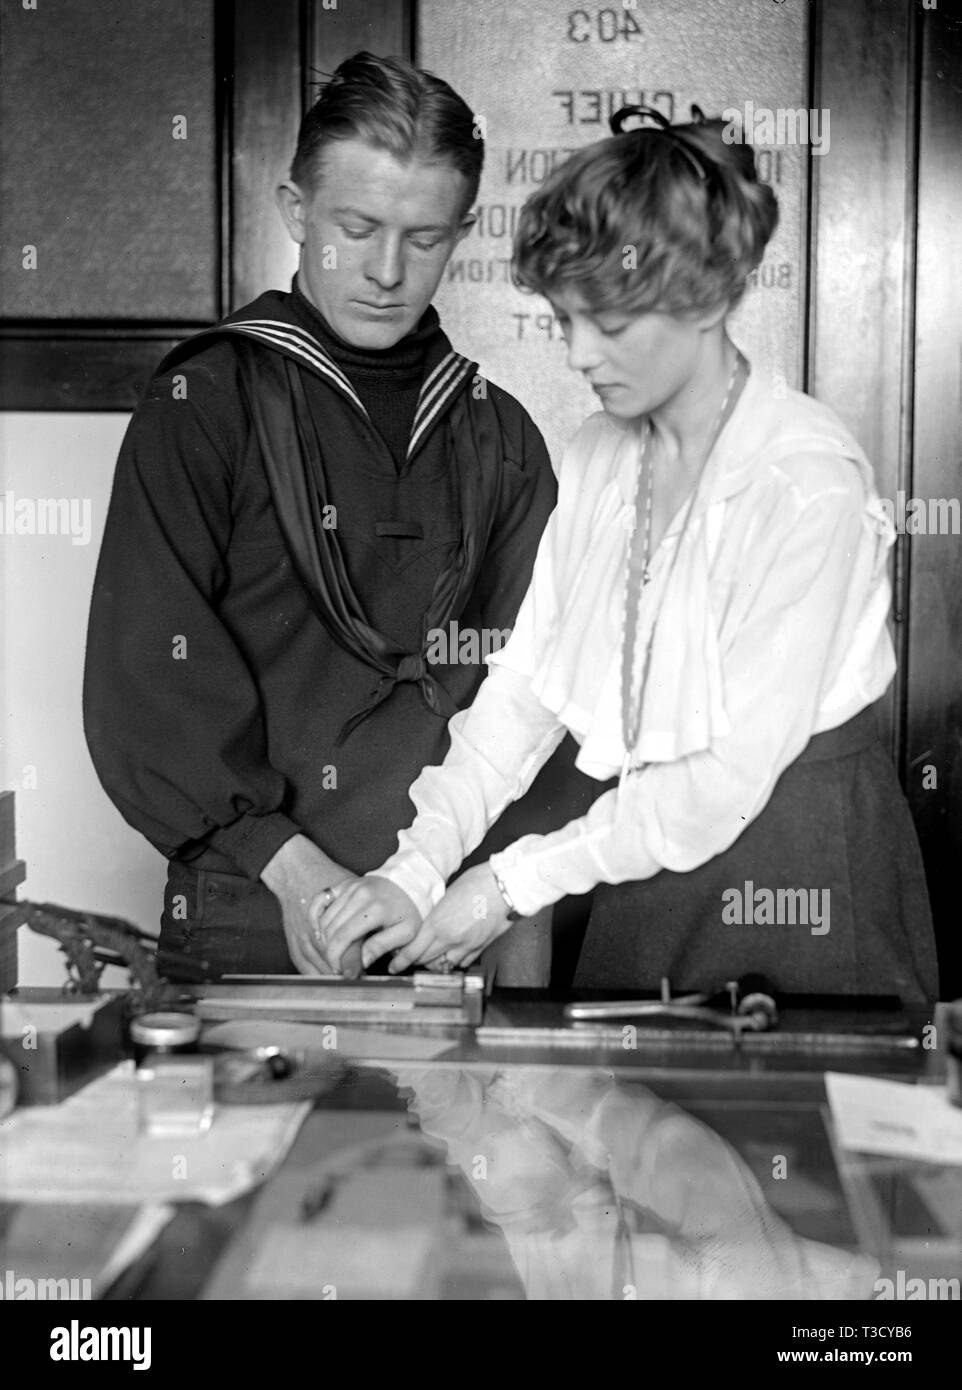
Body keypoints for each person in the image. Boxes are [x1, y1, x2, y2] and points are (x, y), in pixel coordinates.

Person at [317, 106, 939, 1003]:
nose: (577, 354)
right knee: (631, 1124)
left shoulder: (805, 480)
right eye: (566, 319)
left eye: (609, 320)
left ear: (711, 297)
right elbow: (525, 692)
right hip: (636, 859)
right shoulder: (600, 453)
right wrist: (414, 871)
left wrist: (503, 888)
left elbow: (722, 782)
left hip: (804, 870)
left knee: (788, 1133)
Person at [83, 52, 591, 983]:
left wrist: (481, 907)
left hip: (454, 925)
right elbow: (143, 690)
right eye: (356, 228)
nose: (389, 271)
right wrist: (294, 873)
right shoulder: (205, 402)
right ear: (294, 212)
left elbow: (548, 694)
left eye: (425, 238)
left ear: (463, 233)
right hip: (256, 906)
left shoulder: (505, 439)